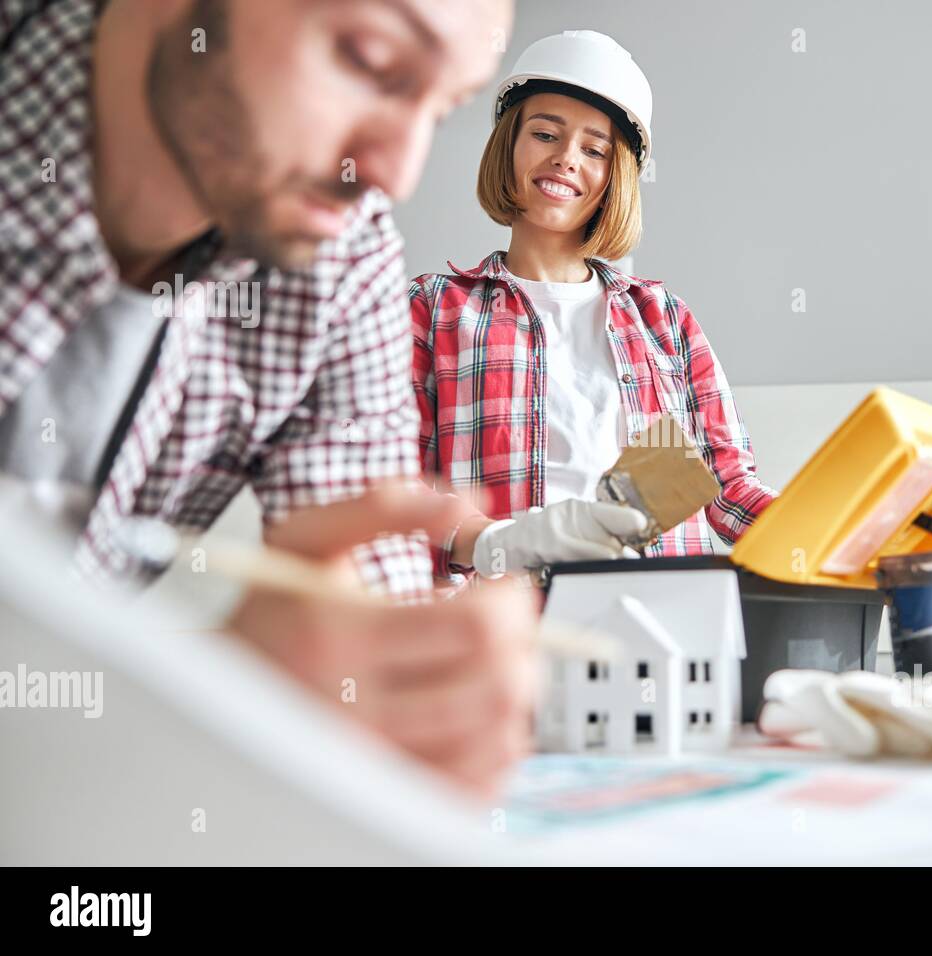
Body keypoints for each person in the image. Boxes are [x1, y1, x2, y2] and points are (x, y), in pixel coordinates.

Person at [0, 0, 533, 795]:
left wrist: (390, 690)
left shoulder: (339, 256)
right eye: (371, 59)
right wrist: (198, 700)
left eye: (443, 109)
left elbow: (362, 659)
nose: (393, 170)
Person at [410, 31, 776, 582]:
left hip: (661, 624)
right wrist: (494, 543)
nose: (565, 160)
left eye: (595, 149)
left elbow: (728, 489)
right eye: (544, 134)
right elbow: (392, 490)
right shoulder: (436, 312)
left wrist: (842, 533)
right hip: (501, 631)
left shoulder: (664, 320)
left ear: (616, 177)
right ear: (508, 146)